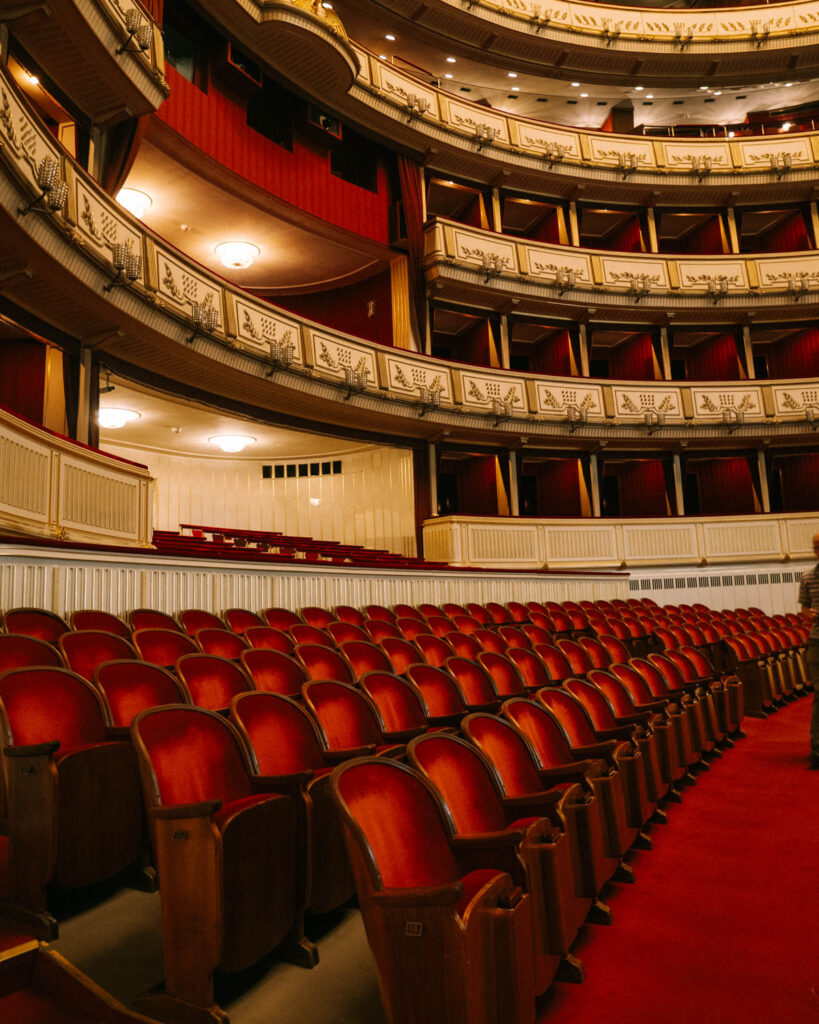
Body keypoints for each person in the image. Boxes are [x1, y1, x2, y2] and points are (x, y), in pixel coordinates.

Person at [798, 531, 819, 769]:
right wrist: (809, 614)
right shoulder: (808, 577)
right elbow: (804, 608)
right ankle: (817, 749)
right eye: (815, 547)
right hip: (817, 641)